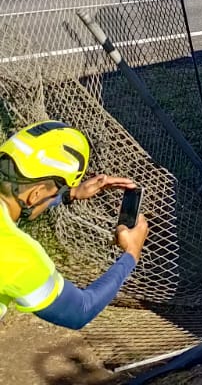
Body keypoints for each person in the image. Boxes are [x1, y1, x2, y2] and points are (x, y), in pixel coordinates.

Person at [0, 122, 146, 328]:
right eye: (54, 193)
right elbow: (79, 311)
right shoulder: (20, 257)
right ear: (36, 194)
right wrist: (131, 253)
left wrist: (71, 193)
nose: (55, 198)